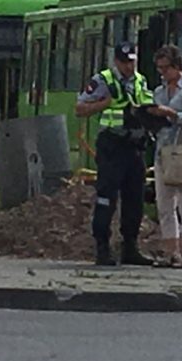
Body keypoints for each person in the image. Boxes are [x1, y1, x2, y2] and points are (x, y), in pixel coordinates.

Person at [75, 41, 155, 267]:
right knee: (106, 197)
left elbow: (146, 106)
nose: (129, 66)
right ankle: (102, 248)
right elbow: (79, 109)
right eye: (125, 62)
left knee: (135, 199)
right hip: (112, 145)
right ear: (116, 61)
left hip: (135, 146)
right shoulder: (103, 80)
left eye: (132, 61)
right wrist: (102, 104)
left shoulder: (140, 80)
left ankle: (130, 247)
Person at [148, 45, 182, 269]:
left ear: (177, 66)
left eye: (165, 68)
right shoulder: (159, 91)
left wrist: (171, 113)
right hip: (163, 151)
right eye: (159, 69)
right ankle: (171, 252)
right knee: (164, 203)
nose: (162, 73)